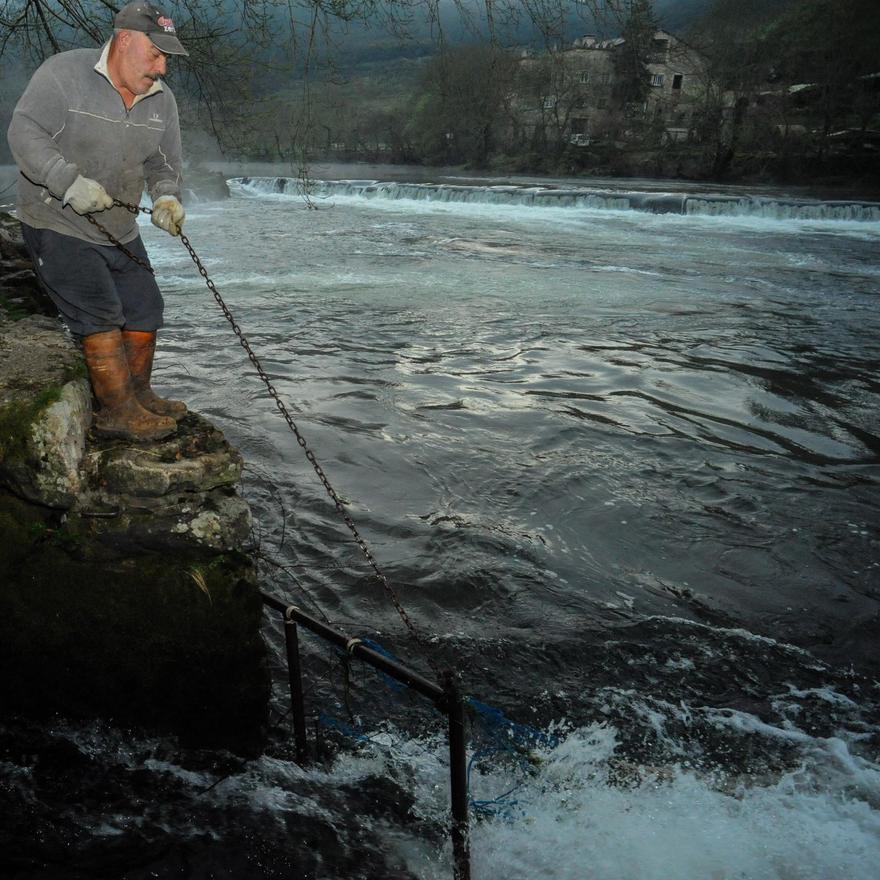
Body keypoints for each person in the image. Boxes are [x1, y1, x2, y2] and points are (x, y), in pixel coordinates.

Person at [7, 2, 190, 442]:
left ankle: (139, 393)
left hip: (121, 227)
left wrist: (166, 197)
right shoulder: (63, 74)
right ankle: (116, 412)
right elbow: (24, 132)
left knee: (146, 307)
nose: (162, 67)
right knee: (101, 314)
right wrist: (67, 181)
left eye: (167, 57)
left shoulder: (162, 101)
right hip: (57, 221)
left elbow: (164, 163)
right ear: (124, 40)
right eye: (156, 53)